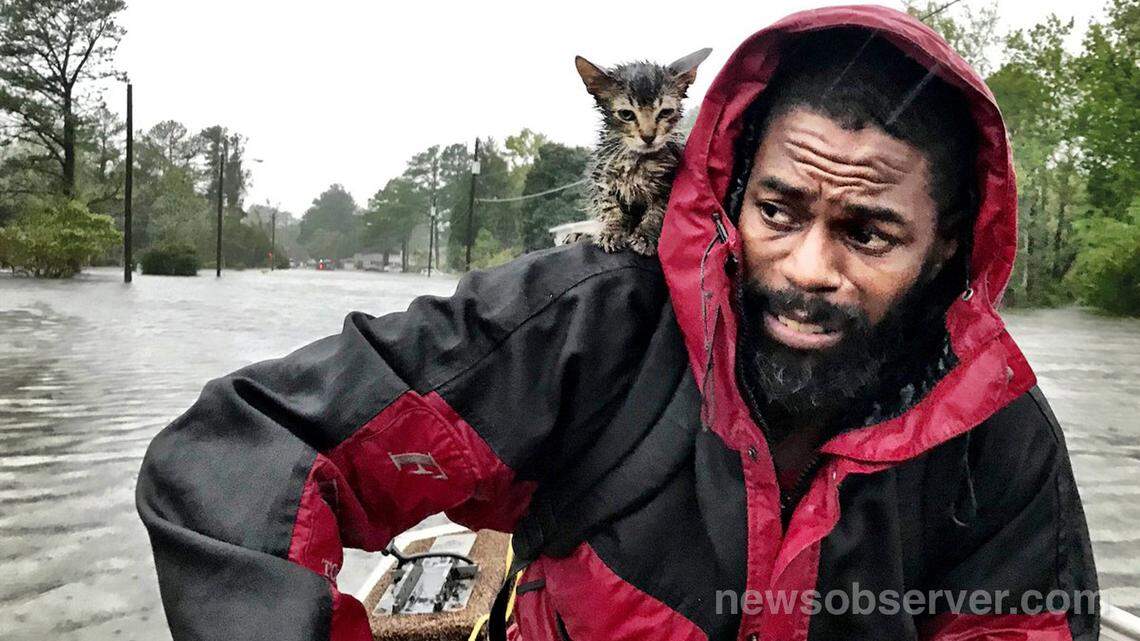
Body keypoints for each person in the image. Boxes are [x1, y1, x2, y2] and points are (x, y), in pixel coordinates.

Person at [137, 6, 1099, 641]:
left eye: (870, 231)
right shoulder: (590, 326)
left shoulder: (997, 438)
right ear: (731, 191)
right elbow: (251, 454)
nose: (809, 268)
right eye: (778, 211)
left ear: (944, 251)